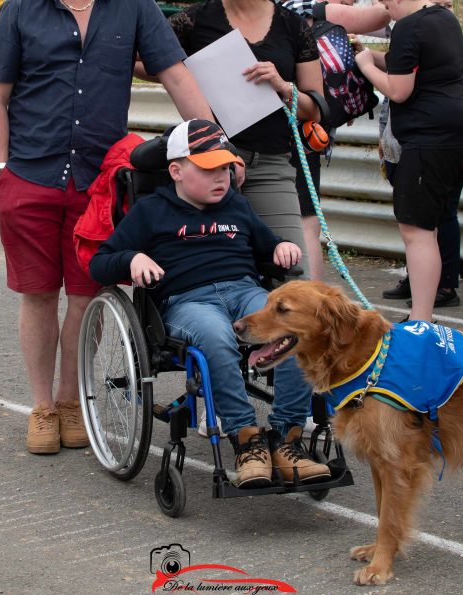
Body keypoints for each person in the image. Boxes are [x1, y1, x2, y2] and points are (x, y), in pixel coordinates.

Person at [0, 0, 211, 456]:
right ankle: (41, 407)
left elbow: (175, 73)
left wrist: (210, 142)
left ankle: (70, 402)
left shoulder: (132, 4)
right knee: (38, 295)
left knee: (88, 297)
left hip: (99, 182)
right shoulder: (20, 10)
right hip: (30, 175)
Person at [89, 119, 330, 487]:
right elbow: (100, 262)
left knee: (296, 329)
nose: (221, 177)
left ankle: (287, 438)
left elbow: (268, 244)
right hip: (188, 300)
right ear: (177, 171)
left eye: (225, 167)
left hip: (245, 291)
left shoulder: (237, 206)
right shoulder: (151, 211)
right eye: (208, 169)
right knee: (217, 338)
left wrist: (280, 245)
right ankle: (246, 440)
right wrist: (132, 258)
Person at [153, 0, 325, 276]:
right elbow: (149, 63)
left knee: (293, 276)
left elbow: (315, 108)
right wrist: (183, 73)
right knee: (215, 273)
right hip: (208, 164)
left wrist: (282, 85)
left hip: (272, 166)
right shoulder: (194, 20)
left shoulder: (292, 27)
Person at [356, 0, 463, 323]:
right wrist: (373, 55)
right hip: (460, 138)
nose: (388, 17)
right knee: (433, 224)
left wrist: (365, 65)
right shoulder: (444, 19)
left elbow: (398, 89)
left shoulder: (408, 26)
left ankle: (420, 319)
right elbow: (405, 66)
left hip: (429, 140)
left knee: (416, 231)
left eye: (387, 8)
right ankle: (424, 312)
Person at [380, 0, 463, 307]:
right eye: (437, 4)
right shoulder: (429, 32)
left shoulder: (457, 44)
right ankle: (423, 291)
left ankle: (434, 298)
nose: (441, 12)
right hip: (426, 143)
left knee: (428, 225)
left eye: (448, 6)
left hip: (433, 144)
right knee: (422, 226)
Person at [282, 0, 391, 278]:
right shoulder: (305, 6)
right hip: (301, 128)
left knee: (301, 215)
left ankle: (305, 292)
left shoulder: (274, 12)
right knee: (307, 218)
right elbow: (371, 20)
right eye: (345, 3)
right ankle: (310, 294)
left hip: (302, 125)